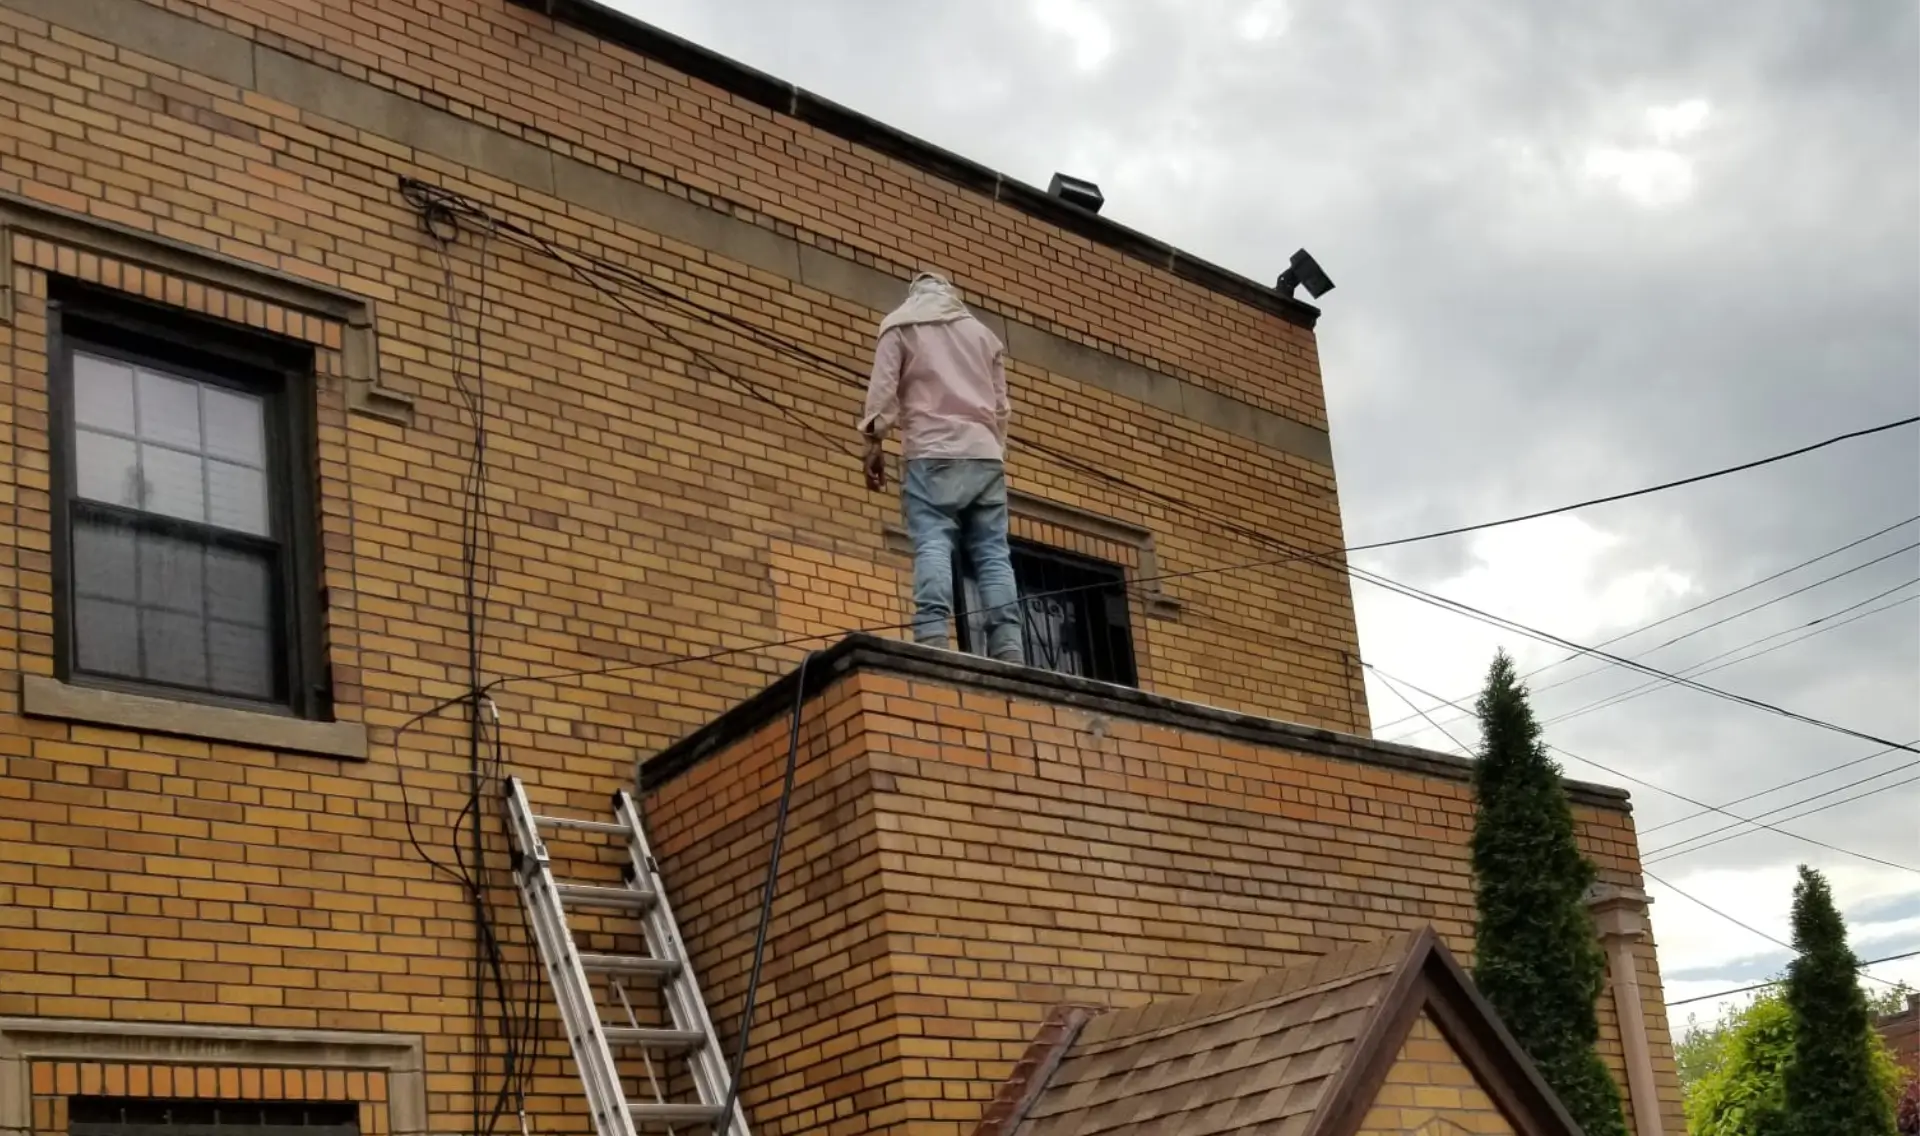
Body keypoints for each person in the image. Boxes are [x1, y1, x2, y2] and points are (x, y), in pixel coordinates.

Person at [859, 271, 1024, 664]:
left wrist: (873, 442)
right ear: (952, 295)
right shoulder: (983, 336)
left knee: (933, 540)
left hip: (931, 452)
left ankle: (932, 634)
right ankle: (1009, 644)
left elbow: (883, 393)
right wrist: (993, 448)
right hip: (984, 455)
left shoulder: (900, 324)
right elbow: (1001, 407)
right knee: (992, 553)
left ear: (914, 294)